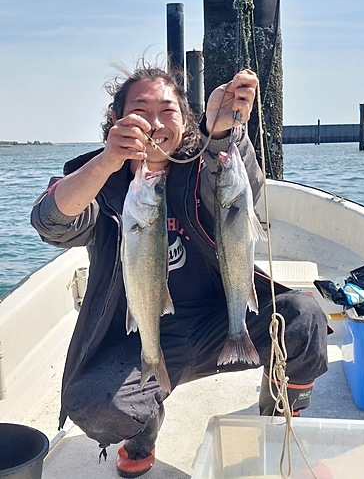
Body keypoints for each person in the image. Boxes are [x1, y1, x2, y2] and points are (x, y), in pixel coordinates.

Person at [31, 62, 328, 478]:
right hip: (142, 332)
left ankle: (281, 426)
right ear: (117, 119)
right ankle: (143, 431)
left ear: (186, 120)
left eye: (167, 110)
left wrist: (222, 131)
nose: (155, 122)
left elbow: (242, 190)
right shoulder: (100, 181)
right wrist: (106, 163)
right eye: (141, 109)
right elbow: (51, 223)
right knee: (94, 402)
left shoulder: (206, 164)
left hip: (218, 319)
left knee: (304, 317)